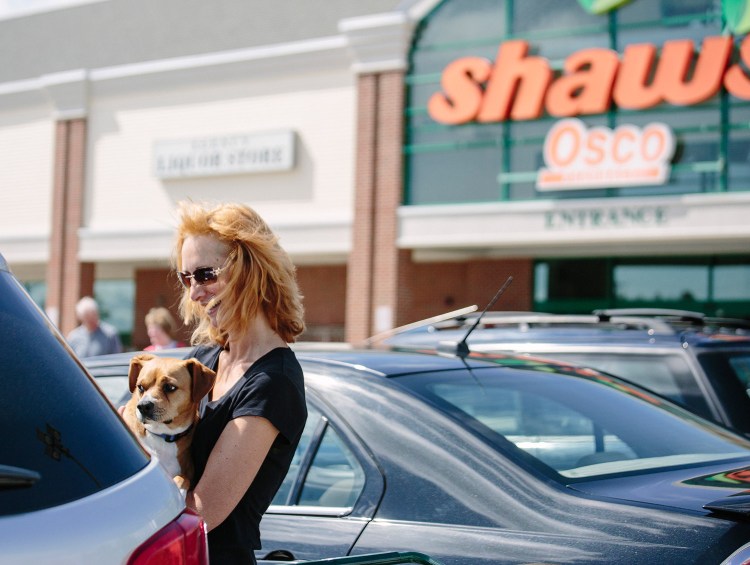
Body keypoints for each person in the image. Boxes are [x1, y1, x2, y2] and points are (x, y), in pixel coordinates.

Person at [174, 201, 307, 564]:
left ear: (250, 270)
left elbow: (201, 515)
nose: (194, 294)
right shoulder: (202, 360)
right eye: (186, 278)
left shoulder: (273, 381)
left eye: (205, 275)